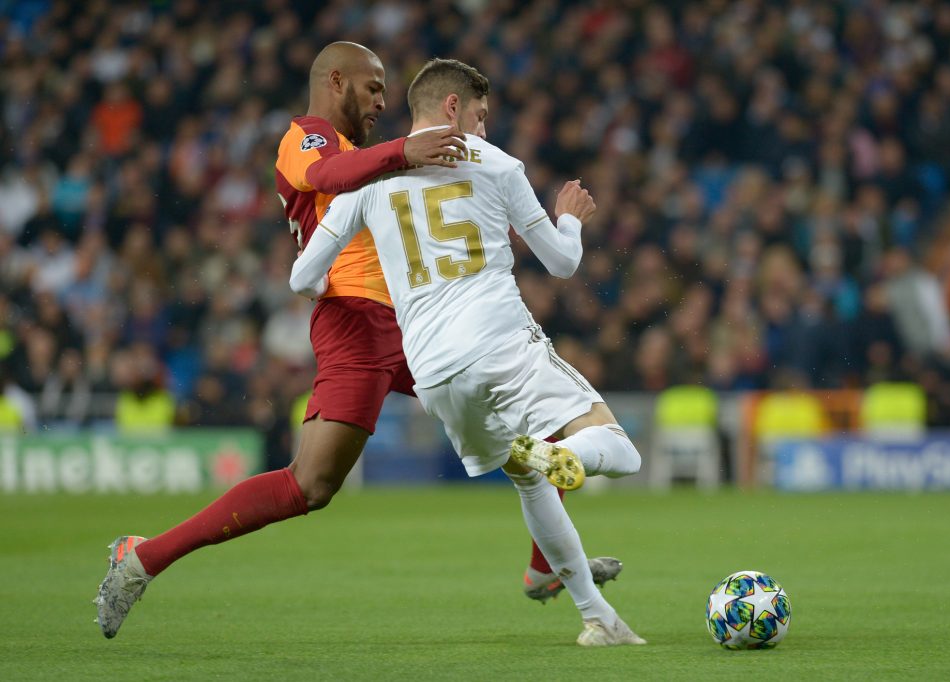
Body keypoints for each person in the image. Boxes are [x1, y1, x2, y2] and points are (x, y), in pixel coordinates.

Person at [94, 43, 617, 640]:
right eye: (372, 90)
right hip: (355, 323)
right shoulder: (307, 137)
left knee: (542, 424)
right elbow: (326, 178)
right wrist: (401, 151)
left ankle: (545, 567)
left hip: (422, 322)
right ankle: (141, 557)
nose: (381, 103)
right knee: (310, 485)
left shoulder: (369, 157)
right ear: (335, 80)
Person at [290, 58, 644, 646]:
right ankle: (559, 453)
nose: (482, 130)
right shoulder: (497, 163)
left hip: (433, 374)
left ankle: (598, 620)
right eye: (479, 116)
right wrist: (570, 219)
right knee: (619, 449)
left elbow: (304, 277)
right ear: (452, 108)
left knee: (528, 483)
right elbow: (561, 263)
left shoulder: (369, 178)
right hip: (500, 340)